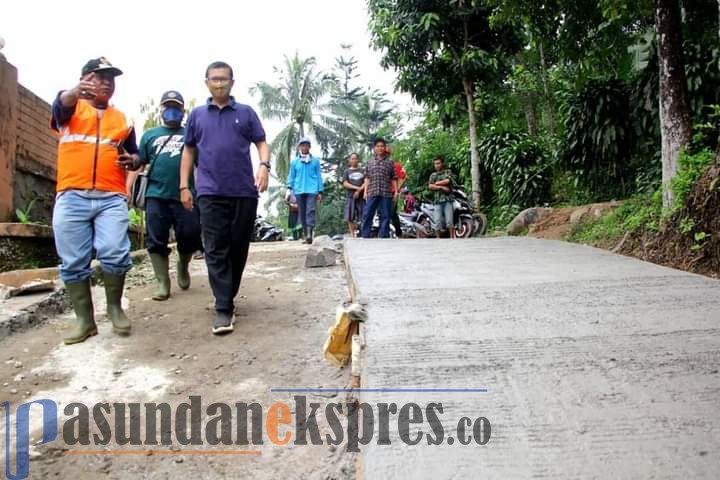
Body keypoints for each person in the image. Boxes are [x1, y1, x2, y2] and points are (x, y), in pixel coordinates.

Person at [50, 57, 139, 344]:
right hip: (71, 194)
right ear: (84, 79)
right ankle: (84, 321)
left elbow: (136, 156)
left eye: (111, 79)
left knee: (114, 251)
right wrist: (74, 92)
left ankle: (114, 308)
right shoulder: (70, 107)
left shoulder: (123, 119)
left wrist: (132, 159)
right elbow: (60, 105)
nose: (107, 83)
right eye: (100, 77)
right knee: (73, 260)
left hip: (111, 195)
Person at [179, 61, 270, 335]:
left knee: (238, 246)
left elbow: (262, 142)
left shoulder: (246, 113)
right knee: (215, 247)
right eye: (214, 79)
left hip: (243, 191)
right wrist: (184, 186)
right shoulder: (196, 115)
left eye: (224, 79)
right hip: (209, 191)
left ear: (233, 82)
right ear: (206, 82)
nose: (219, 83)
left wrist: (264, 166)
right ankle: (223, 307)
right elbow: (188, 151)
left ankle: (227, 294)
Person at [134, 90, 202, 301]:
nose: (172, 111)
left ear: (183, 111)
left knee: (190, 234)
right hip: (156, 194)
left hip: (185, 194)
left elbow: (203, 165)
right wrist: (129, 182)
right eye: (168, 106)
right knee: (156, 238)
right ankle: (163, 282)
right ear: (162, 109)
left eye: (177, 107)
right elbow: (139, 161)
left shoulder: (191, 135)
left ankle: (183, 264)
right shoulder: (149, 135)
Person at [287, 137, 323, 244]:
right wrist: (289, 189)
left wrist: (320, 191)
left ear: (309, 147)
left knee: (310, 210)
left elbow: (319, 176)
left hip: (312, 189)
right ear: (299, 147)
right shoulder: (295, 162)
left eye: (306, 145)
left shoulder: (315, 161)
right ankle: (305, 233)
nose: (304, 147)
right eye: (302, 145)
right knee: (301, 212)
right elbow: (291, 176)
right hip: (299, 190)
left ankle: (309, 233)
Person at [361, 138, 397, 238]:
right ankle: (365, 235)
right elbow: (367, 178)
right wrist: (365, 192)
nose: (380, 148)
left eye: (382, 146)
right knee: (367, 213)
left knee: (385, 215)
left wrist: (396, 192)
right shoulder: (370, 162)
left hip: (386, 192)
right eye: (378, 146)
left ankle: (383, 236)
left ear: (385, 148)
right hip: (372, 191)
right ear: (374, 148)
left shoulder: (390, 162)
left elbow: (394, 178)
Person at [428, 155, 456, 238]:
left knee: (449, 221)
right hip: (437, 201)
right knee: (437, 221)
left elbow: (448, 180)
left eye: (438, 163)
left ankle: (452, 237)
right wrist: (441, 187)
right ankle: (438, 239)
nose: (437, 165)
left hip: (448, 200)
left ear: (442, 163)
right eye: (435, 164)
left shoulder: (447, 172)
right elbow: (430, 186)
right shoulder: (433, 175)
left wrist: (436, 183)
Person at [342, 152, 365, 238]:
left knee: (363, 215)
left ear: (358, 160)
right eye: (352, 158)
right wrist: (356, 188)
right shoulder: (347, 171)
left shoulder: (362, 170)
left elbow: (366, 182)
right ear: (349, 160)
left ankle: (362, 233)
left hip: (361, 197)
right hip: (350, 196)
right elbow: (345, 183)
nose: (354, 160)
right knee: (349, 216)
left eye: (355, 158)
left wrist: (359, 190)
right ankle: (352, 234)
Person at [385, 145, 406, 237]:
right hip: (382, 193)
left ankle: (398, 233)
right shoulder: (379, 164)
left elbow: (404, 176)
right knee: (384, 213)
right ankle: (385, 233)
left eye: (387, 153)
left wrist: (397, 190)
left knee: (392, 213)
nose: (386, 155)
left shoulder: (395, 165)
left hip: (393, 193)